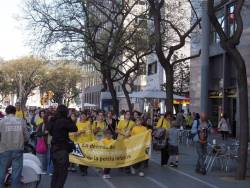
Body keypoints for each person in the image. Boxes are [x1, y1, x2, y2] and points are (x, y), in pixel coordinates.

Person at [48, 105, 78, 188]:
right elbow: (75, 128)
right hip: (62, 150)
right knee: (62, 174)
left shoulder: (53, 120)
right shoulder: (65, 121)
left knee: (56, 172)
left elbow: (50, 132)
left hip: (54, 149)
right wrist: (69, 118)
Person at [0, 105, 29, 188]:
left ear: (6, 112)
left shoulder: (1, 122)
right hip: (18, 149)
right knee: (16, 173)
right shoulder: (21, 121)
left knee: (2, 171)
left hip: (4, 149)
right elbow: (26, 136)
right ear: (15, 112)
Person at [71, 111, 93, 176]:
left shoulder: (89, 123)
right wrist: (79, 132)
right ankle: (82, 170)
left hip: (87, 143)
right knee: (80, 157)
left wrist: (92, 141)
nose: (83, 117)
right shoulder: (77, 124)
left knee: (86, 157)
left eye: (84, 116)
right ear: (80, 116)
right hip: (79, 142)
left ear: (86, 117)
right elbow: (74, 133)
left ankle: (85, 169)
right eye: (82, 116)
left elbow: (90, 133)